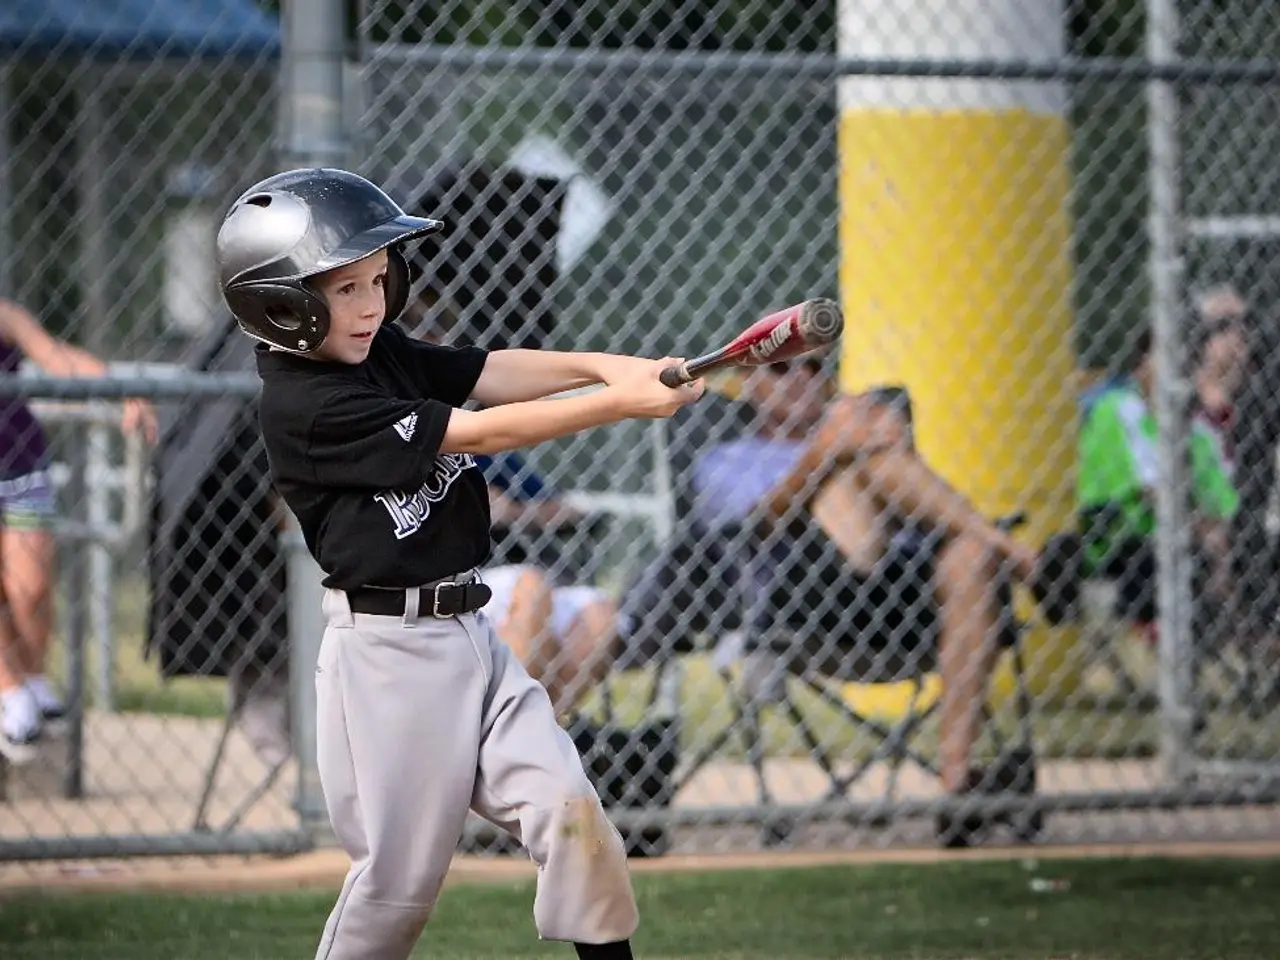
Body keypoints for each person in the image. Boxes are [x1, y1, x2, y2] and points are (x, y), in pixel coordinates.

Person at [216, 168, 704, 960]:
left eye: (378, 280)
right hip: (387, 661)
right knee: (396, 893)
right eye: (344, 290)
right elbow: (482, 431)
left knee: (571, 813)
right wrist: (621, 403)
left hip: (473, 638)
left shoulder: (378, 353)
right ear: (282, 304)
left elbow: (489, 370)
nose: (372, 303)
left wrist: (615, 367)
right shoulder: (307, 404)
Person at [678, 358, 1059, 844]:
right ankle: (1027, 562)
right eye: (782, 368)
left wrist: (895, 450)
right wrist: (828, 452)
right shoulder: (726, 460)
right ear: (750, 384)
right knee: (848, 470)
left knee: (971, 553)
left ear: (830, 380)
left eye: (813, 367)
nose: (799, 378)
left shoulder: (867, 435)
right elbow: (758, 527)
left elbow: (929, 521)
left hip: (912, 603)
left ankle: (957, 783)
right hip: (808, 601)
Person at [0, 298, 157, 759]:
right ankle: (10, 694)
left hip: (19, 468)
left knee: (30, 587)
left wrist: (119, 388)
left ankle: (30, 679)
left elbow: (54, 356)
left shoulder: (5, 315)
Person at [1077, 327, 1239, 622]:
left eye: (1183, 362)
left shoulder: (1198, 433)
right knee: (1165, 556)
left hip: (1188, 538)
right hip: (1122, 539)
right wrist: (1204, 530)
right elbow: (1151, 492)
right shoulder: (1117, 409)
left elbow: (1225, 506)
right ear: (1140, 366)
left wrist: (1218, 543)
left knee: (1250, 550)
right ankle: (1158, 637)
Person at [476, 451, 618, 717]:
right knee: (532, 587)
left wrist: (514, 512)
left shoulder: (490, 453)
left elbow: (564, 509)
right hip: (461, 580)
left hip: (525, 577)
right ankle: (498, 732)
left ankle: (532, 732)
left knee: (598, 612)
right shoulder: (425, 438)